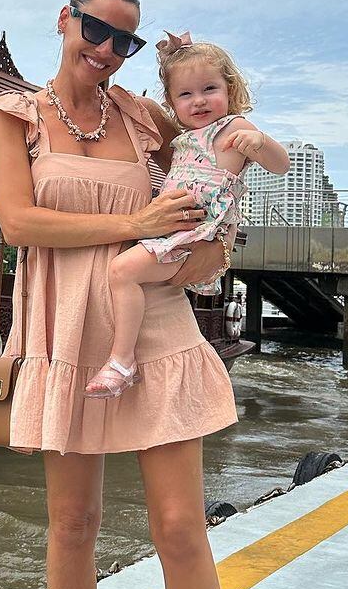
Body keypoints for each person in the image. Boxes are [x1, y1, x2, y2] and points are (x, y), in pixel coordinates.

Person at [0, 0, 240, 589]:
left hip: (152, 327)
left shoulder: (142, 115)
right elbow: (19, 223)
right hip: (62, 331)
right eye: (97, 31)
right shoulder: (13, 115)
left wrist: (218, 244)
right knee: (74, 524)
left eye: (125, 41)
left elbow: (213, 159)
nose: (108, 51)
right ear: (65, 19)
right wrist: (134, 224)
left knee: (179, 528)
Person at [85, 32, 289, 397]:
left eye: (209, 89)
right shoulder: (183, 139)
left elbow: (281, 165)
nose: (198, 101)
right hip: (171, 229)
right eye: (185, 94)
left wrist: (261, 144)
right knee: (125, 275)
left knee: (121, 272)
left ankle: (121, 360)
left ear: (230, 90)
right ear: (172, 102)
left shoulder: (234, 127)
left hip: (193, 235)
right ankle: (125, 356)